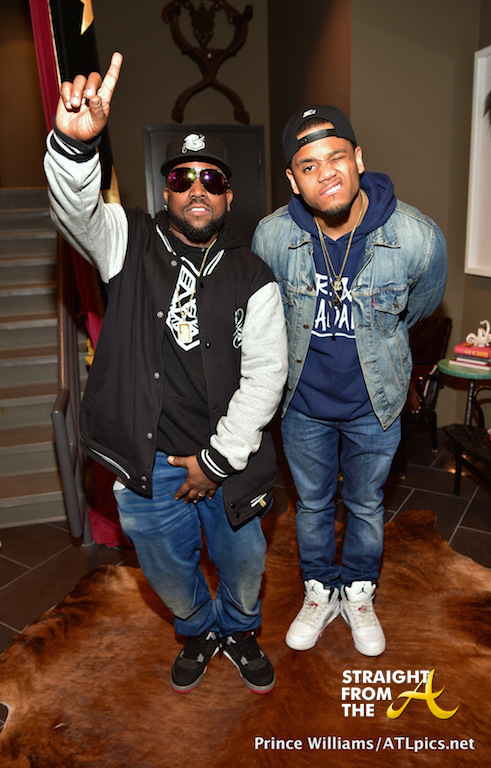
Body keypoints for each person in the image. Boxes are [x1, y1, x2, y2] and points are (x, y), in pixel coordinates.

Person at [44, 53, 288, 694]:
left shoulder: (254, 276)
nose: (197, 188)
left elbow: (266, 377)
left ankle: (240, 630)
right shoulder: (126, 240)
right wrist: (75, 147)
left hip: (229, 462)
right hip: (145, 464)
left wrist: (216, 461)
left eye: (211, 178)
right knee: (170, 575)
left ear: (228, 196)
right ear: (166, 192)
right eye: (183, 177)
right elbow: (75, 214)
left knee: (244, 567)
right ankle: (199, 629)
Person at [252, 105, 447, 657]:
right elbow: (265, 319)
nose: (327, 173)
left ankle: (359, 592)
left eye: (336, 157)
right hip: (302, 407)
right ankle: (319, 590)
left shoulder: (416, 237)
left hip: (374, 407)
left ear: (358, 159)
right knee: (312, 507)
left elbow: (420, 309)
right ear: (293, 180)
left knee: (364, 506)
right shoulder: (273, 236)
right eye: (308, 166)